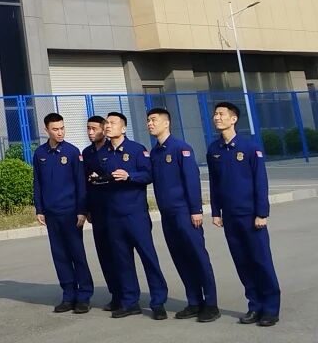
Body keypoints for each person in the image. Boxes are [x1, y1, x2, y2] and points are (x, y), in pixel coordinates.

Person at [208, 100, 281, 327]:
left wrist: (261, 213)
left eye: (221, 114)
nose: (217, 117)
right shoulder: (214, 149)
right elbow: (214, 183)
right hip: (230, 216)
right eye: (215, 114)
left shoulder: (250, 147)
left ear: (233, 119)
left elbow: (260, 181)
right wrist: (216, 211)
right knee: (242, 262)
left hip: (250, 216)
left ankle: (270, 308)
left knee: (261, 261)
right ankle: (255, 306)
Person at [146, 106, 218, 322]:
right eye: (148, 120)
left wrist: (195, 210)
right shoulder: (155, 152)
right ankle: (194, 301)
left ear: (166, 123)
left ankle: (211, 304)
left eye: (154, 120)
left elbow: (191, 180)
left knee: (198, 257)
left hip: (184, 212)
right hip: (167, 214)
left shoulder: (181, 148)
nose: (150, 124)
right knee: (180, 258)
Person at [103, 110, 169, 319]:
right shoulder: (104, 152)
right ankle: (130, 302)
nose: (108, 126)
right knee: (122, 261)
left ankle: (158, 302)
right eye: (106, 123)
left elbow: (148, 175)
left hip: (135, 214)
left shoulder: (136, 150)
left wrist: (129, 175)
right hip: (113, 216)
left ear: (123, 128)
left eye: (113, 123)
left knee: (148, 258)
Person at [33, 112, 94, 313]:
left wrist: (82, 210)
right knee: (60, 255)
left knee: (77, 254)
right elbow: (37, 183)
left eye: (62, 128)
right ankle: (68, 295)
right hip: (51, 214)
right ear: (46, 130)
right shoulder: (40, 154)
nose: (60, 132)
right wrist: (39, 209)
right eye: (55, 129)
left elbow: (81, 184)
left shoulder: (72, 152)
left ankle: (84, 295)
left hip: (70, 213)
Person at [82, 115, 121, 312]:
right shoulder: (86, 153)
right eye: (88, 128)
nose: (91, 132)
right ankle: (115, 294)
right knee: (104, 253)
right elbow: (84, 183)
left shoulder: (111, 149)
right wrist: (86, 209)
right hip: (97, 210)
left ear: (103, 129)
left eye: (94, 129)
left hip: (114, 208)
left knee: (119, 253)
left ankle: (127, 294)